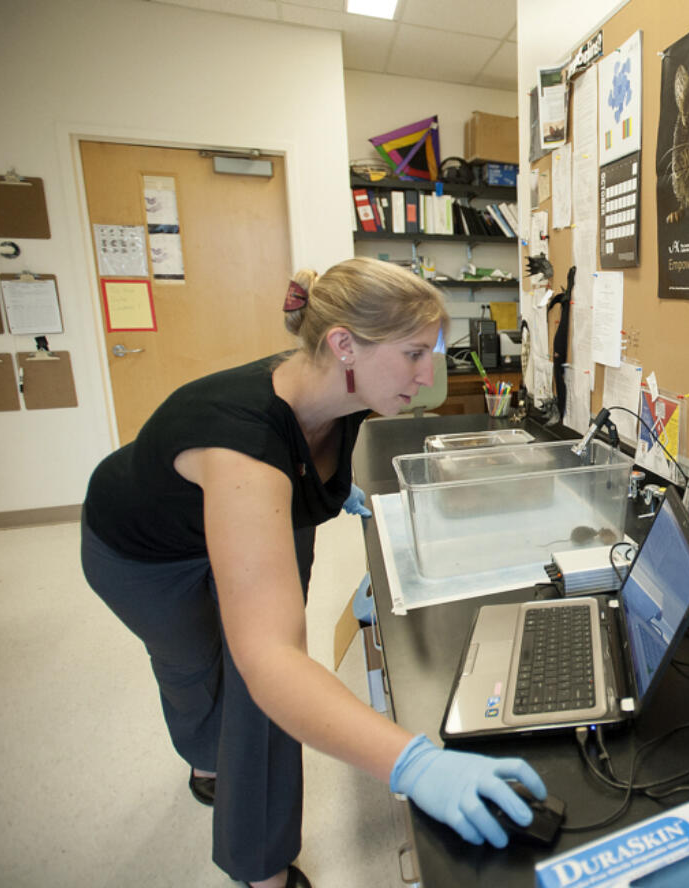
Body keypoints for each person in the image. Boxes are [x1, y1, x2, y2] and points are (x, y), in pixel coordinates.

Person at [80, 258, 546, 888]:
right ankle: (204, 758)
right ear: (344, 343)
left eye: (429, 352)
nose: (428, 373)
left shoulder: (341, 385)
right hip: (146, 549)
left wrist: (340, 493)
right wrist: (413, 763)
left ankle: (260, 866)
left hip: (261, 512)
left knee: (265, 691)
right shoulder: (241, 443)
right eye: (413, 354)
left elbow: (276, 667)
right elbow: (268, 658)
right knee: (202, 669)